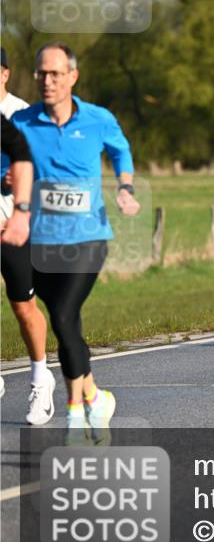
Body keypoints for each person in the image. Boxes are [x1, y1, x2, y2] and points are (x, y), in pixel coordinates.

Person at [11, 42, 140, 436]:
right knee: (68, 327)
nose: (47, 81)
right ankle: (96, 397)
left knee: (64, 316)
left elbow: (121, 152)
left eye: (55, 74)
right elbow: (8, 163)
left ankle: (76, 419)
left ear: (72, 76)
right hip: (42, 240)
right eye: (40, 74)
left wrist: (125, 187)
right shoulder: (22, 123)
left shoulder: (98, 119)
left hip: (88, 237)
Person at [1, 47, 55, 419]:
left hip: (17, 226)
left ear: (4, 73)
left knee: (23, 307)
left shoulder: (25, 116)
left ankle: (40, 378)